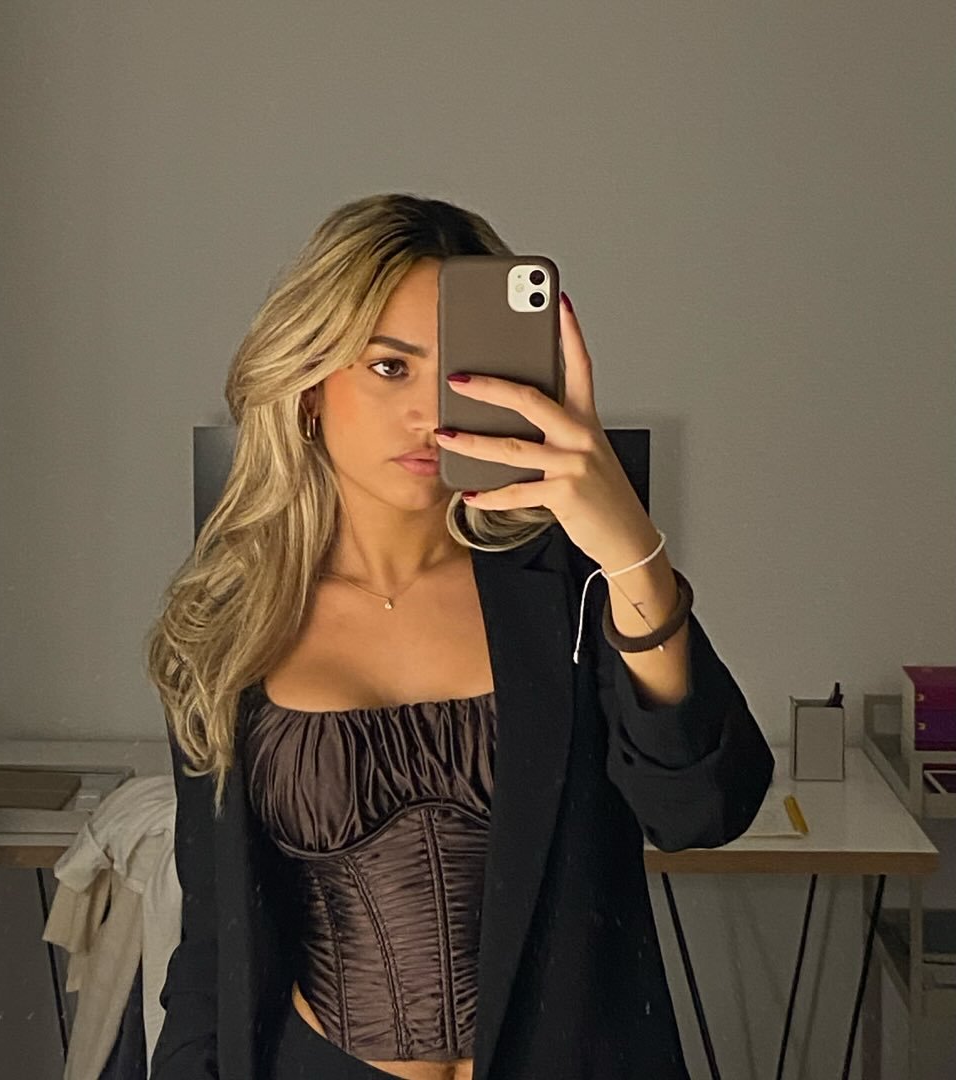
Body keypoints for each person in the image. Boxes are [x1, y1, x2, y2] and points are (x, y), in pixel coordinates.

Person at [144, 193, 774, 1080]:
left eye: (461, 374)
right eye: (390, 368)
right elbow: (214, 941)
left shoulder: (571, 585)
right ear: (311, 384)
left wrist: (635, 552)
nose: (429, 415)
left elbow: (701, 813)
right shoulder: (226, 627)